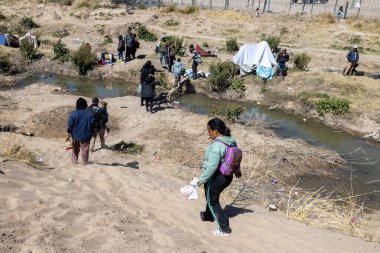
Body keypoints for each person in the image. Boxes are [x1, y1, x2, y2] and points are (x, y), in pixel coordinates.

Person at [197, 118, 241, 237]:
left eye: (209, 131)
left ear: (216, 131)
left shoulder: (217, 145)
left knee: (213, 200)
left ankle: (224, 228)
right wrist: (237, 169)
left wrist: (200, 181)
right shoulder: (231, 141)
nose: (208, 133)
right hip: (227, 176)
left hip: (218, 176)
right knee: (209, 194)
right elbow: (235, 156)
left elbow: (211, 167)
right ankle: (208, 215)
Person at [67, 97, 94, 165]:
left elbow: (70, 125)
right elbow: (93, 124)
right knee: (85, 149)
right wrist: (94, 131)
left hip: (75, 135)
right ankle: (85, 162)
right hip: (86, 135)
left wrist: (68, 133)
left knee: (75, 148)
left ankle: (74, 161)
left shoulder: (72, 114)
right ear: (85, 105)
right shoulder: (90, 114)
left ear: (77, 105)